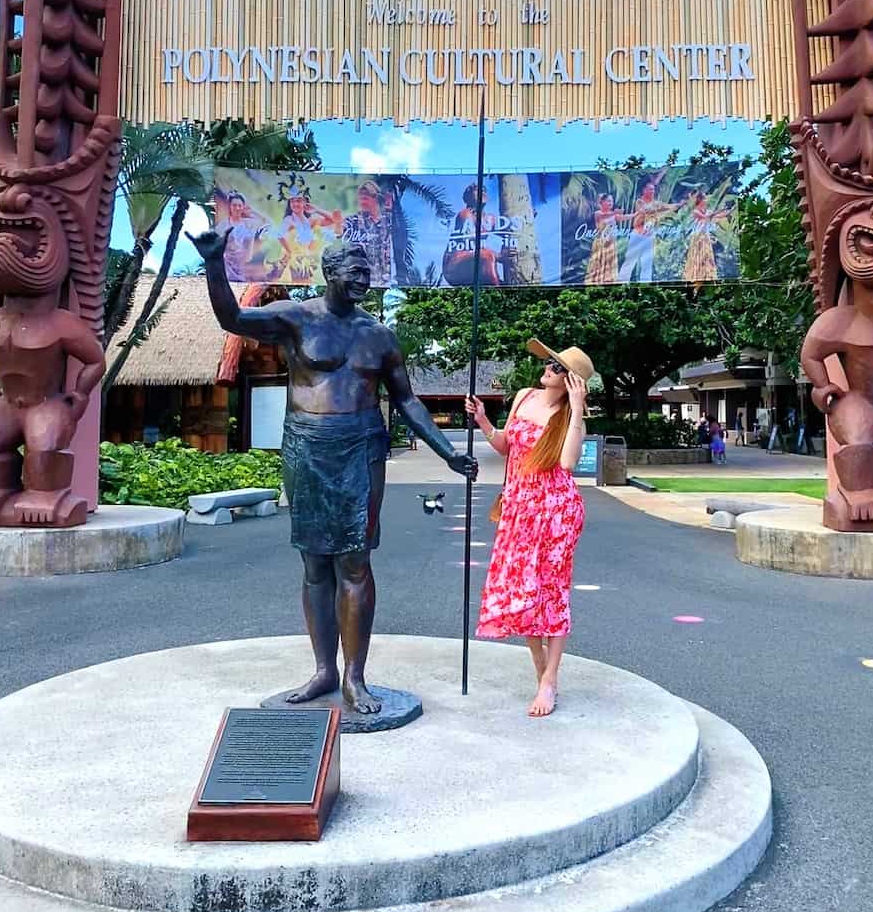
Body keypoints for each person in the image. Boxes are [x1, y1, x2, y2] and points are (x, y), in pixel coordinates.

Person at [190, 232, 477, 715]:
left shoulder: (379, 335)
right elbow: (232, 318)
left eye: (367, 272)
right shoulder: (296, 318)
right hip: (306, 446)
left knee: (355, 563)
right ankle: (324, 670)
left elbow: (406, 401)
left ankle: (355, 676)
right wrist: (215, 263)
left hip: (361, 448)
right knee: (314, 563)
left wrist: (448, 452)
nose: (363, 280)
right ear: (330, 272)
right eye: (355, 272)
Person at [466, 339, 592, 719]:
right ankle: (542, 672)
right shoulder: (523, 396)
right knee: (521, 593)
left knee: (550, 593)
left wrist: (577, 409)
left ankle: (550, 678)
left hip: (555, 512)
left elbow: (568, 463)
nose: (548, 370)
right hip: (518, 508)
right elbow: (507, 447)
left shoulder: (570, 419)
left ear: (570, 381)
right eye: (550, 365)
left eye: (556, 368)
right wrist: (484, 421)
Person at [617, 178, 679, 283]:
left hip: (649, 236)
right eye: (650, 189)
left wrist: (679, 204)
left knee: (647, 262)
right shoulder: (640, 201)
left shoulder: (656, 203)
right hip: (637, 235)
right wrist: (659, 210)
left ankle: (645, 285)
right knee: (630, 260)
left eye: (653, 189)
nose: (652, 191)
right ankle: (622, 284)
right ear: (644, 190)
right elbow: (646, 210)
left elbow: (668, 206)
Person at [443, 184, 501, 286]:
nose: (481, 192)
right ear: (468, 197)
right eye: (476, 190)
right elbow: (471, 244)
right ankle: (499, 291)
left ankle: (499, 285)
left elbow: (508, 230)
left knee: (488, 258)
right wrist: (500, 256)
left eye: (483, 190)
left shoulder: (490, 218)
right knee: (487, 255)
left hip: (473, 262)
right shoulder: (465, 214)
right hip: (454, 264)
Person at [343, 180, 394, 286]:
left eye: (365, 199)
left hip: (387, 280)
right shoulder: (352, 221)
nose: (362, 202)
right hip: (360, 280)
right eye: (360, 199)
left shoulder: (390, 221)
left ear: (375, 198)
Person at [216, 191, 267, 280]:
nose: (237, 208)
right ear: (230, 206)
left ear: (243, 207)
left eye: (240, 205)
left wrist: (250, 210)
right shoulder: (222, 226)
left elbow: (264, 221)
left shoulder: (249, 224)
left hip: (245, 267)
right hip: (228, 268)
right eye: (234, 205)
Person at [584, 193, 632, 285]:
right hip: (601, 243)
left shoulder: (613, 214)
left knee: (610, 264)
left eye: (612, 201)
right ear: (602, 202)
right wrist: (615, 213)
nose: (611, 203)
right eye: (609, 201)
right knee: (598, 263)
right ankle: (596, 281)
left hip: (611, 244)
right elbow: (604, 217)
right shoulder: (598, 214)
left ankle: (609, 281)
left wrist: (635, 214)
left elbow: (624, 217)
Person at [682, 191, 729, 283]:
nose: (706, 200)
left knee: (707, 257)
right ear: (700, 200)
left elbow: (718, 216)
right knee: (697, 257)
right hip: (697, 237)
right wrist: (717, 212)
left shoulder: (708, 211)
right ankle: (694, 276)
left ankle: (708, 276)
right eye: (704, 198)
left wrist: (728, 211)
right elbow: (704, 217)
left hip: (705, 237)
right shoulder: (695, 211)